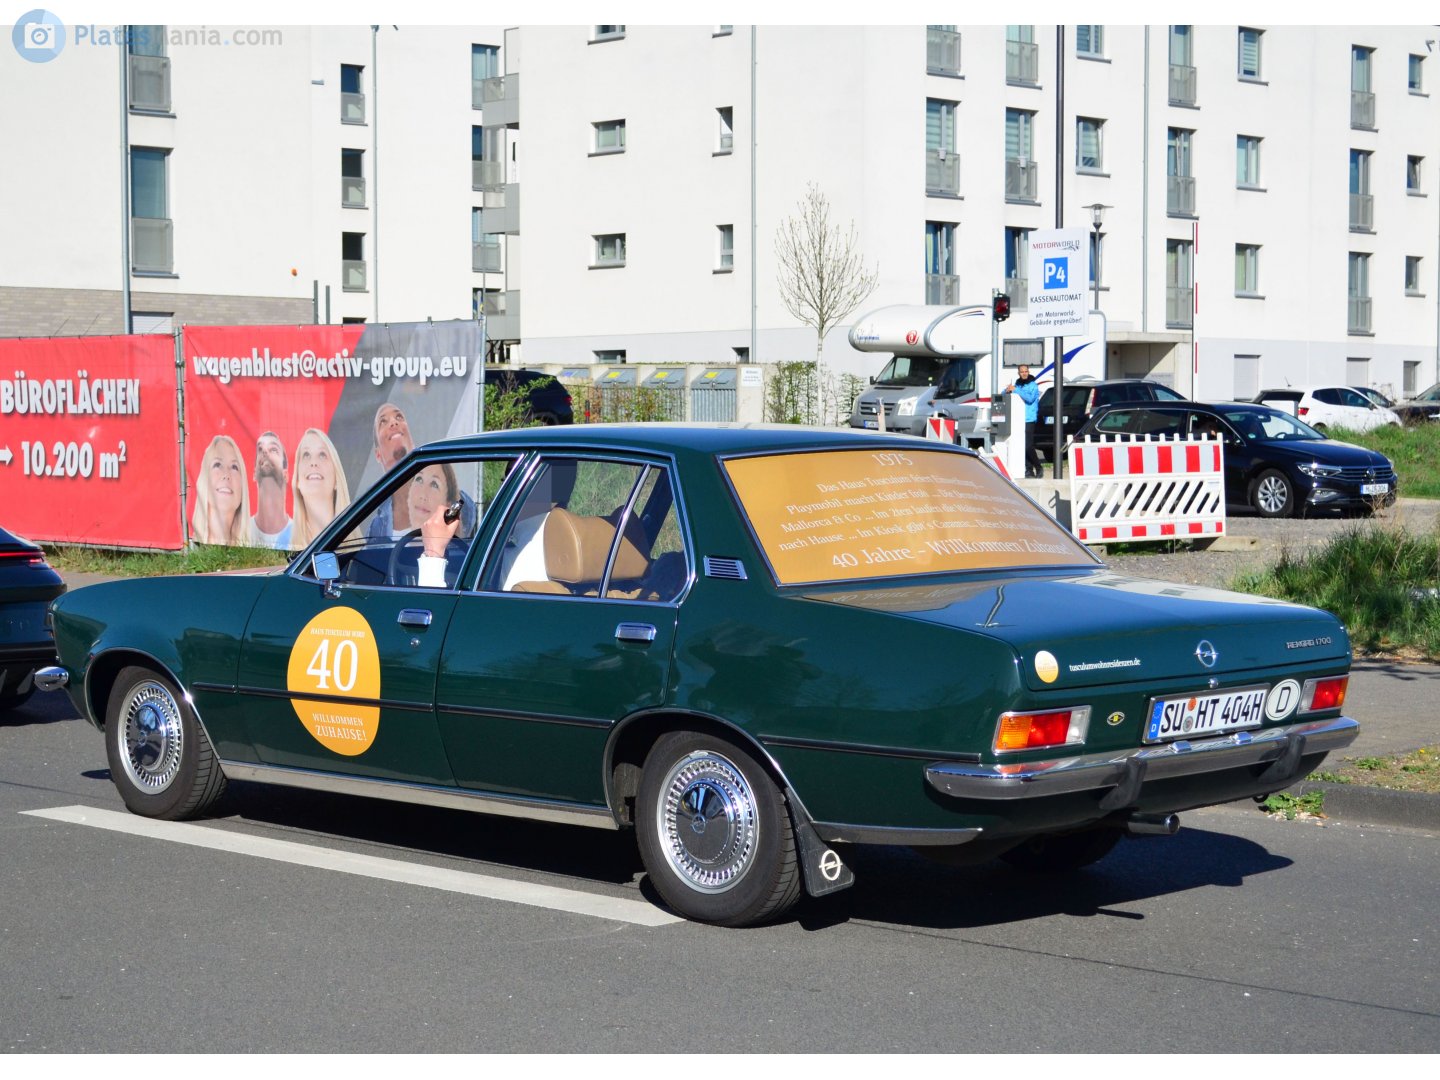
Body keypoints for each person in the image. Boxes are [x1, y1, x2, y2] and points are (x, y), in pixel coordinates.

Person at [366, 401, 476, 540]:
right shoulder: (377, 526)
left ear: (412, 441)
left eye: (399, 417)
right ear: (378, 454)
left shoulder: (459, 505)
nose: (393, 422)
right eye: (383, 421)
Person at [191, 434, 258, 546]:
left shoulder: (257, 542)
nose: (226, 475)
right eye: (217, 464)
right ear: (204, 480)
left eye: (234, 467)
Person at [290, 428, 352, 549]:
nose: (313, 462)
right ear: (297, 481)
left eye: (322, 455)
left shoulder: (361, 546)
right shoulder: (282, 549)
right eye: (306, 455)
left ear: (336, 480)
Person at [250, 430, 293, 549]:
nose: (265, 452)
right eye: (260, 449)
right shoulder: (240, 532)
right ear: (254, 474)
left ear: (286, 475)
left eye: (273, 449)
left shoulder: (298, 534)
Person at [1004, 364, 1043, 479]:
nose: (1024, 373)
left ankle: (1039, 466)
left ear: (1028, 371)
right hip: (1018, 420)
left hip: (1029, 419)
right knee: (1022, 446)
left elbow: (1030, 399)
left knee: (1028, 445)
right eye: (1022, 372)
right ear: (1019, 373)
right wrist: (1006, 390)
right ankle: (1029, 470)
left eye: (1026, 371)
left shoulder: (1033, 385)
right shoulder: (1017, 385)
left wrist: (1016, 390)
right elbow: (1004, 394)